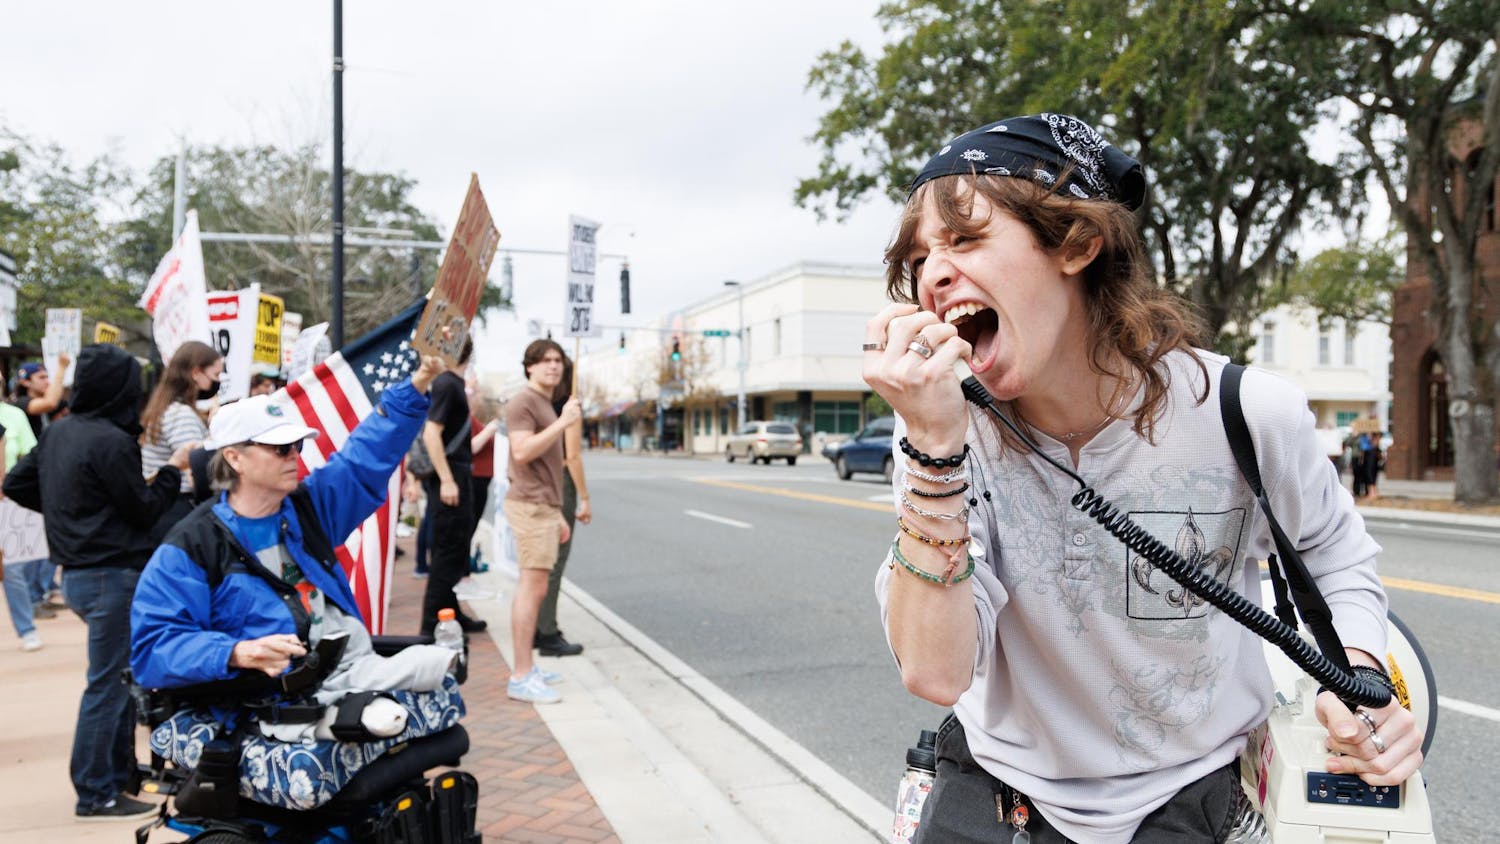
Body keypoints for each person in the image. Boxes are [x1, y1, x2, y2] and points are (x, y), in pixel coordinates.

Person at [863, 114, 1422, 844]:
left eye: (965, 239)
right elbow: (935, 673)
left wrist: (1358, 680)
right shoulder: (943, 425)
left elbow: (1333, 557)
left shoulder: (1243, 414)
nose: (933, 273)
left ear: (1078, 243)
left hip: (1188, 802)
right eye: (921, 257)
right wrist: (936, 447)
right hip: (998, 796)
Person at [129, 355, 457, 741]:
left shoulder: (307, 507)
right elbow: (153, 648)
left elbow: (365, 458)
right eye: (280, 448)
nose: (295, 456)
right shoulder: (191, 545)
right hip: (272, 698)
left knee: (445, 668)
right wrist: (235, 652)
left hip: (344, 667)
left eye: (297, 444)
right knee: (397, 707)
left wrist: (417, 382)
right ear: (234, 458)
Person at [3, 344, 190, 821]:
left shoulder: (62, 432)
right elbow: (144, 509)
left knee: (116, 682)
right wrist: (173, 470)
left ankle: (117, 778)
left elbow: (19, 484)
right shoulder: (110, 439)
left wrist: (74, 513)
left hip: (82, 575)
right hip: (111, 574)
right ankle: (95, 792)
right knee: (107, 686)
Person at [503, 339, 580, 703]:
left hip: (545, 506)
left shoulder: (545, 404)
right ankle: (520, 675)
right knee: (531, 589)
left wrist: (558, 511)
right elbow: (521, 451)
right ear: (529, 366)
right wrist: (563, 423)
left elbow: (549, 463)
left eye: (558, 360)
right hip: (530, 506)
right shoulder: (523, 402)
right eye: (545, 360)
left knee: (538, 588)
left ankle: (529, 667)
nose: (554, 366)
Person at [417, 336, 487, 635]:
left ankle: (452, 614)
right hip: (450, 480)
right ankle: (430, 630)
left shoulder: (453, 385)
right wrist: (446, 480)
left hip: (458, 477)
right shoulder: (446, 384)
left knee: (455, 554)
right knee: (446, 558)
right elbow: (432, 434)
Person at [535, 351, 591, 658]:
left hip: (537, 481)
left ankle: (537, 626)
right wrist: (585, 497)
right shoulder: (569, 406)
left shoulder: (536, 401)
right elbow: (572, 455)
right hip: (560, 482)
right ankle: (547, 632)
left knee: (540, 562)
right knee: (555, 560)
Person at [139, 340, 222, 542]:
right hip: (178, 506)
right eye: (216, 375)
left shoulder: (165, 408)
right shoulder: (181, 415)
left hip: (165, 506)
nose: (218, 382)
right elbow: (198, 469)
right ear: (196, 373)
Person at [10, 356, 70, 616]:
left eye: (48, 377)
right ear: (25, 382)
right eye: (41, 378)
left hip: (40, 475)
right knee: (30, 544)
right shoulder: (22, 404)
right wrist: (62, 370)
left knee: (44, 539)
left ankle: (41, 592)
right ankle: (34, 597)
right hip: (26, 480)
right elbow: (50, 402)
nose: (47, 381)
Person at [1, 401, 44, 650]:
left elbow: (29, 453)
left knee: (13, 568)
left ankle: (26, 628)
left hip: (5, 502)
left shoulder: (14, 416)